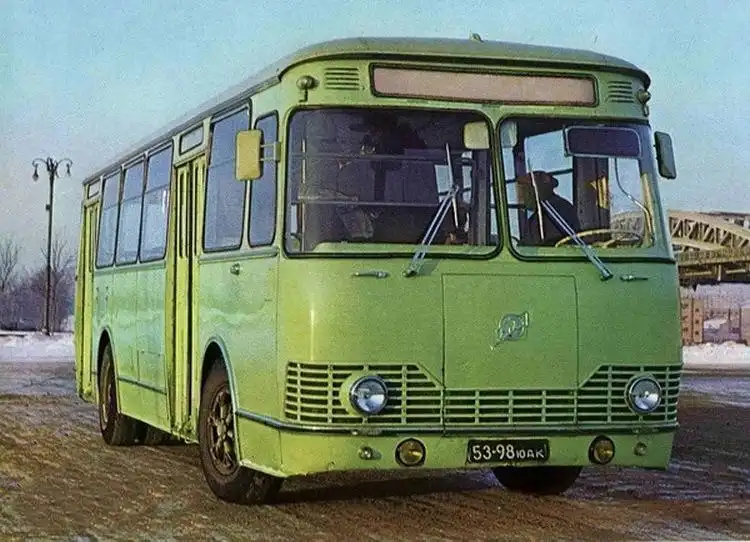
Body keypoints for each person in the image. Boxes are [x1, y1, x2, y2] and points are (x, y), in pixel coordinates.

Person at [517, 170, 580, 246]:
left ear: (537, 188)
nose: (521, 196)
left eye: (525, 189)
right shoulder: (537, 215)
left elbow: (549, 245)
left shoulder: (556, 210)